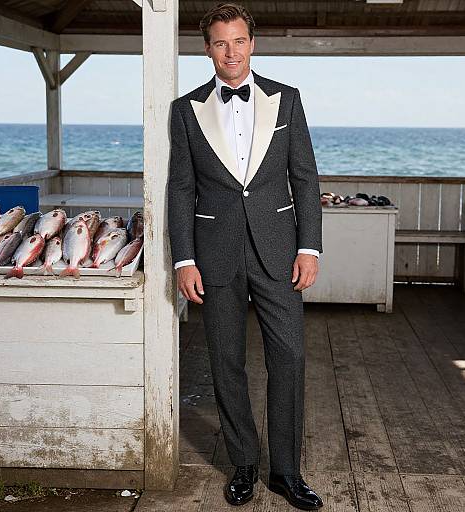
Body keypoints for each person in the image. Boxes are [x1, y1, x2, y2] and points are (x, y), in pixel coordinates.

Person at [167, 3, 323, 510]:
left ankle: (285, 472)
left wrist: (308, 246)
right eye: (219, 42)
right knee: (226, 361)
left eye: (238, 41)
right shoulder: (185, 109)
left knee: (290, 357)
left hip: (278, 251)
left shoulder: (288, 100)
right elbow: (181, 189)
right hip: (214, 254)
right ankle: (244, 463)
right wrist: (183, 259)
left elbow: (305, 178)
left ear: (252, 44)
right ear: (207, 48)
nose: (230, 52)